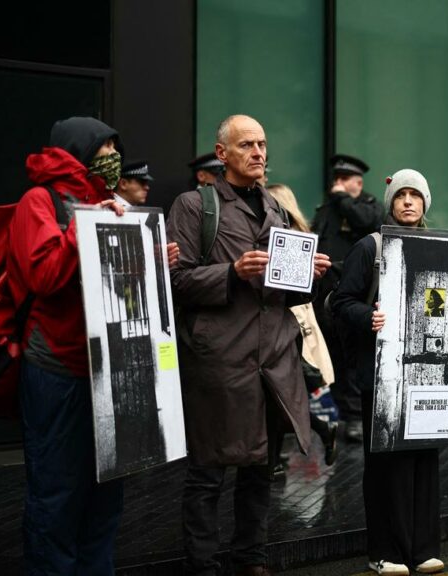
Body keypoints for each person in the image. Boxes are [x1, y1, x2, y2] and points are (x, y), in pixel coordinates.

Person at [167, 114, 331, 576]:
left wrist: (308, 276)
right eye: (247, 145)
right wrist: (231, 272)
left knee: (260, 467)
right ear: (223, 155)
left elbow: (282, 289)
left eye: (262, 144)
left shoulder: (276, 209)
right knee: (208, 471)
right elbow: (175, 281)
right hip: (221, 358)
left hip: (274, 358)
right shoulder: (194, 205)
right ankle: (201, 565)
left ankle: (250, 558)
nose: (259, 153)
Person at [332, 169, 448, 576]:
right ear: (390, 204)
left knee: (424, 461)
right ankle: (383, 552)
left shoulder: (440, 247)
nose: (408, 201)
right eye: (400, 195)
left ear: (425, 204)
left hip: (428, 375)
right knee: (386, 466)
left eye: (415, 195)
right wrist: (368, 316)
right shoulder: (371, 248)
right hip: (382, 377)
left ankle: (422, 550)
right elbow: (340, 301)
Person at [8, 116, 128, 573]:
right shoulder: (38, 202)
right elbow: (44, 275)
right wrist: (87, 224)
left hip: (107, 368)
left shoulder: (107, 201)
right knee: (56, 494)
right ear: (78, 153)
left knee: (104, 497)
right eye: (104, 152)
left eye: (115, 152)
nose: (113, 161)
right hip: (57, 370)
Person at [267, 182, 340, 470]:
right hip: (294, 325)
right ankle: (279, 454)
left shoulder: (289, 237)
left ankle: (277, 456)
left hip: (291, 326)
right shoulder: (298, 234)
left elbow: (290, 295)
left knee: (278, 394)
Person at [313, 153, 383, 443]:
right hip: (327, 294)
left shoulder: (369, 206)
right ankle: (341, 415)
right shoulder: (327, 208)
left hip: (358, 295)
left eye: (346, 180)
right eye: (337, 179)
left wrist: (343, 200)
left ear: (359, 182)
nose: (339, 185)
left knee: (353, 357)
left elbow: (368, 223)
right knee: (332, 358)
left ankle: (356, 418)